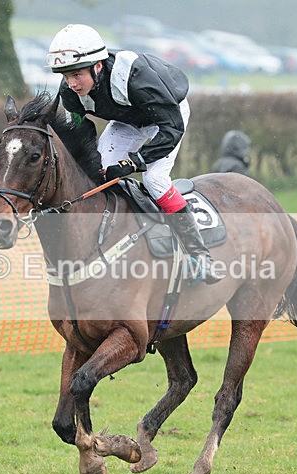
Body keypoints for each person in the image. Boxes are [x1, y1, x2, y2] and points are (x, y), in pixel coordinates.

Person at [46, 23, 223, 285]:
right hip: (128, 121)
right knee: (101, 175)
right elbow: (81, 131)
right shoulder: (70, 93)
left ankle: (200, 256)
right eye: (65, 76)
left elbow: (172, 128)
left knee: (154, 180)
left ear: (97, 66)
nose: (71, 84)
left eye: (76, 75)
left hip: (168, 117)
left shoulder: (135, 78)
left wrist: (133, 163)